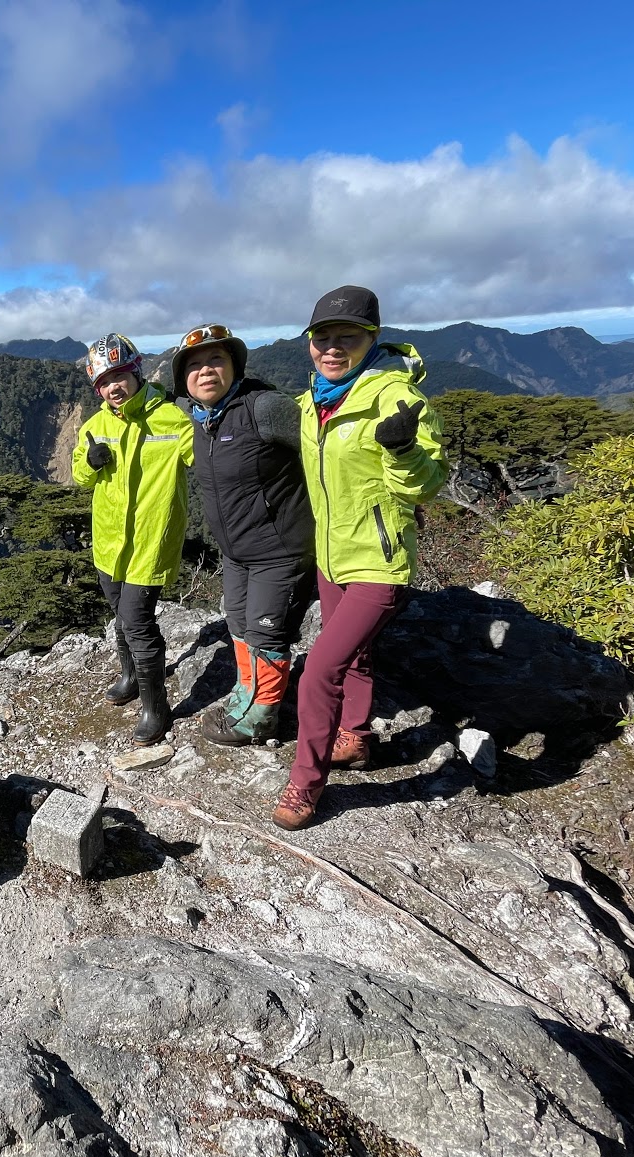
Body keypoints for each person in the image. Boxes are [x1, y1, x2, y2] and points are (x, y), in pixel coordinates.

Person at [273, 286, 447, 831]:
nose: (331, 347)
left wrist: (404, 449)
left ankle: (306, 783)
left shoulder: (397, 399)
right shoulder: (313, 401)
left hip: (379, 560)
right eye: (321, 337)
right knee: (356, 656)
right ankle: (355, 736)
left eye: (346, 337)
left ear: (372, 338)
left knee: (319, 671)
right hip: (332, 554)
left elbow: (426, 486)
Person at [172, 324, 315, 746]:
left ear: (235, 365)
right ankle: (246, 694)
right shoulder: (201, 418)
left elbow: (325, 454)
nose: (206, 370)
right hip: (236, 551)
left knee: (267, 631)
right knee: (237, 621)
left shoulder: (265, 409)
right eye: (194, 365)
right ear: (183, 379)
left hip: (281, 549)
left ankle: (262, 717)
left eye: (216, 359)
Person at [72, 333, 194, 745]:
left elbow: (207, 458)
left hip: (151, 542)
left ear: (137, 372)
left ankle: (155, 708)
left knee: (138, 622)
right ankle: (129, 677)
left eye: (119, 375)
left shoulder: (172, 418)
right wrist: (91, 464)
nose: (113, 387)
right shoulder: (96, 427)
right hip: (109, 543)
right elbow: (79, 475)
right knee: (120, 615)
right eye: (104, 381)